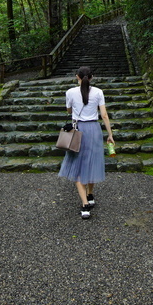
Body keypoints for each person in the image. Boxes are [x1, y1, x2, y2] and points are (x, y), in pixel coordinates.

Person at [58, 66, 115, 219]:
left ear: (77, 76)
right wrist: (110, 134)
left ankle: (85, 205)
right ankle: (90, 194)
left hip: (78, 131)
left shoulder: (70, 92)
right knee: (92, 161)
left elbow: (69, 111)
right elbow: (104, 115)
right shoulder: (98, 92)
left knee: (77, 166)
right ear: (91, 77)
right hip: (94, 129)